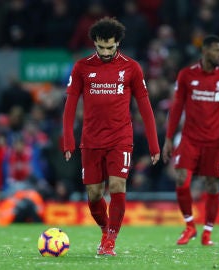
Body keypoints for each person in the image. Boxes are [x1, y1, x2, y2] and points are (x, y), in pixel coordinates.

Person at [62, 17, 160, 256]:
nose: (105, 52)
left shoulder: (132, 68)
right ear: (94, 43)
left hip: (120, 138)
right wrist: (68, 139)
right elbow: (70, 104)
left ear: (118, 43)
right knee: (94, 194)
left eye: (110, 47)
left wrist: (154, 144)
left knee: (117, 185)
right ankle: (105, 230)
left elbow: (145, 107)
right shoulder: (81, 67)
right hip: (91, 140)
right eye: (101, 47)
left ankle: (111, 241)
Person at [162, 35, 219, 246]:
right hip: (190, 139)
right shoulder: (186, 75)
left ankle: (207, 232)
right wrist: (169, 138)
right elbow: (176, 107)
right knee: (181, 180)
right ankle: (190, 226)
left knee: (213, 186)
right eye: (217, 51)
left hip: (216, 141)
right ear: (205, 51)